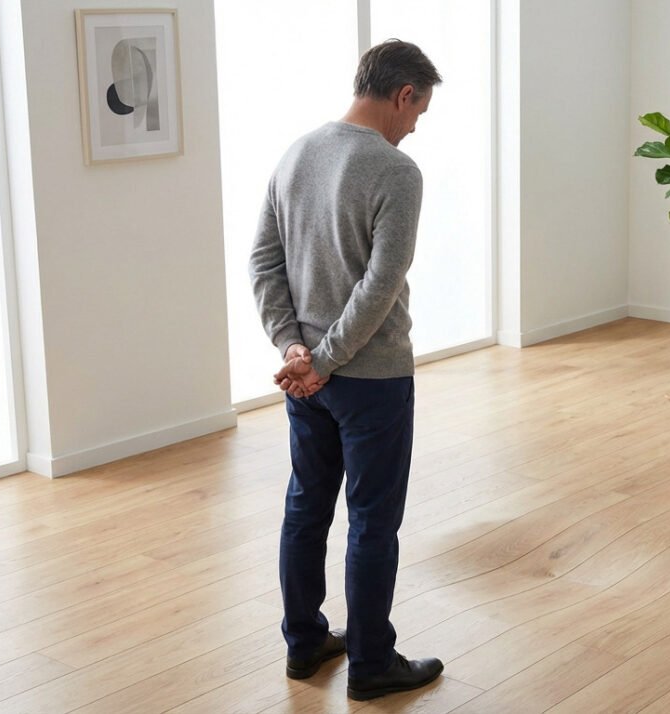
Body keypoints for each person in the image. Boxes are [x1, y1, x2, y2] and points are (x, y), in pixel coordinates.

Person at [248, 39, 443, 702]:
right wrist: (324, 360)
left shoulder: (296, 153)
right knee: (371, 519)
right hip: (371, 378)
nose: (416, 125)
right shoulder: (396, 170)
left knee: (306, 506)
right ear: (403, 93)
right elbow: (381, 284)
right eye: (419, 110)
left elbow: (262, 264)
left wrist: (294, 352)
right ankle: (370, 664)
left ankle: (304, 646)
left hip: (307, 380)